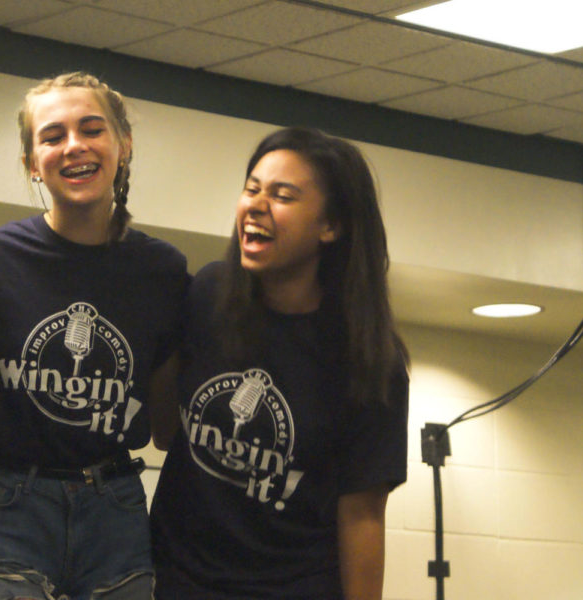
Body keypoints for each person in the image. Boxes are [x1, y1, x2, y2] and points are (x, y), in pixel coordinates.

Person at [0, 72, 189, 600]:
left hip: (116, 507)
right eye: (52, 136)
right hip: (2, 500)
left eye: (91, 129)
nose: (73, 146)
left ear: (123, 146)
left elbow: (173, 418)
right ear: (33, 162)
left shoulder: (163, 271)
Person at [149, 127, 409, 599]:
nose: (256, 205)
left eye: (283, 195)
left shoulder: (369, 361)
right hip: (179, 580)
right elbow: (166, 433)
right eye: (252, 189)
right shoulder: (208, 295)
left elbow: (363, 516)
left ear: (331, 226)